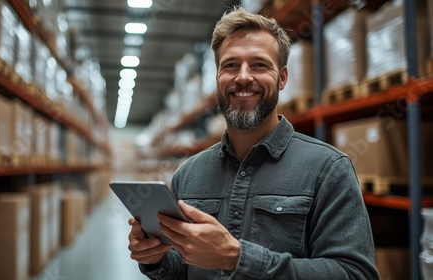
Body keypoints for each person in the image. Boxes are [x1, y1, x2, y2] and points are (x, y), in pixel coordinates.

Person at [127, 6, 379, 280]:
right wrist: (157, 259)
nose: (243, 76)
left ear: (282, 78)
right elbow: (185, 265)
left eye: (259, 65)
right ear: (218, 78)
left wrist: (237, 258)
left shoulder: (328, 169)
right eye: (231, 65)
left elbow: (356, 274)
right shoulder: (189, 174)